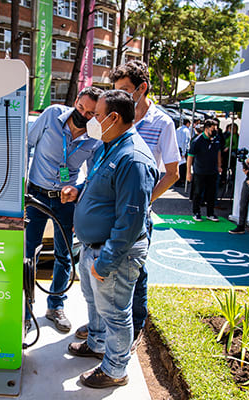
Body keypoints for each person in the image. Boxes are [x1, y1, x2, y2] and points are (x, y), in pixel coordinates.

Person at [74, 60, 180, 348]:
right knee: (101, 296)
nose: (93, 119)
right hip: (105, 225)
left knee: (127, 289)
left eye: (124, 89)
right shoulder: (109, 136)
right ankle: (100, 338)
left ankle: (125, 342)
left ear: (141, 89)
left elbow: (172, 173)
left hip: (130, 219)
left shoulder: (159, 125)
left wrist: (141, 202)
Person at [61, 90, 158, 388]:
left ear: (114, 118)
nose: (91, 120)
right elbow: (98, 184)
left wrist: (106, 262)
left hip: (115, 253)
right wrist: (78, 189)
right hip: (94, 247)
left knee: (115, 314)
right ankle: (97, 343)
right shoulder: (108, 145)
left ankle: (115, 370)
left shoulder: (133, 159)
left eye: (97, 115)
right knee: (95, 304)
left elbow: (130, 221)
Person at [26, 86, 103, 333]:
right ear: (76, 101)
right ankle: (26, 310)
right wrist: (20, 186)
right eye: (80, 107)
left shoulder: (96, 136)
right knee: (29, 255)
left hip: (65, 201)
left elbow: (93, 174)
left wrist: (78, 189)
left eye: (90, 113)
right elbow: (26, 144)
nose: (82, 114)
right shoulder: (51, 115)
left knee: (64, 255)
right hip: (36, 194)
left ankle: (55, 306)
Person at [186, 119, 222, 222]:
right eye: (213, 129)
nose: (215, 130)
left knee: (211, 193)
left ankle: (210, 213)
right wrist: (189, 172)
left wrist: (219, 165)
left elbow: (218, 152)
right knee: (198, 192)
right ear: (206, 129)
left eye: (216, 128)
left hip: (213, 171)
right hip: (200, 171)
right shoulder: (197, 141)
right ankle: (196, 212)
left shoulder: (216, 139)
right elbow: (190, 157)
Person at [175, 118, 191, 186]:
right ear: (187, 123)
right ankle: (182, 181)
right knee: (184, 167)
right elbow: (185, 142)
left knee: (178, 165)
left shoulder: (178, 129)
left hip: (177, 149)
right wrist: (184, 153)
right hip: (183, 150)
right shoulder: (186, 131)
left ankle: (178, 180)